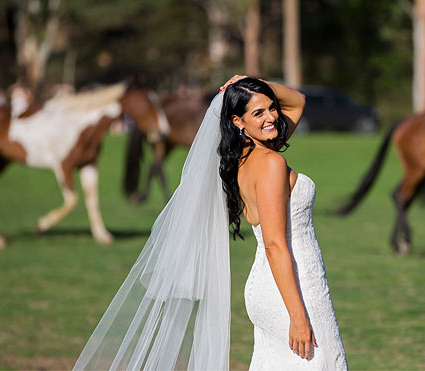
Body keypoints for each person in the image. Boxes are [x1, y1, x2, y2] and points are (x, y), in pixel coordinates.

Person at [75, 76, 347, 370]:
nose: (271, 117)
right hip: (294, 287)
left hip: (276, 285)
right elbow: (274, 244)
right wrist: (298, 316)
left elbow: (297, 101)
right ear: (238, 121)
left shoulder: (243, 158)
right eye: (258, 113)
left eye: (271, 108)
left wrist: (249, 81)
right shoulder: (270, 163)